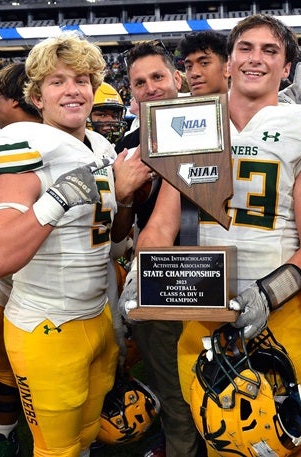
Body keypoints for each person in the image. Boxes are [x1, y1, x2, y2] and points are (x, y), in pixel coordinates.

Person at [119, 14, 301, 452]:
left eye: (270, 50)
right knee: (217, 434)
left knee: (275, 442)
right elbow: (163, 223)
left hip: (275, 314)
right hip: (199, 306)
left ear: (287, 68)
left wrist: (268, 293)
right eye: (246, 49)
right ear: (230, 63)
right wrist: (139, 276)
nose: (256, 59)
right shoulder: (191, 121)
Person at [0, 31, 119, 457]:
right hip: (48, 324)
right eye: (57, 81)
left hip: (97, 314)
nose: (72, 90)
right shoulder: (28, 150)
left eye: (81, 79)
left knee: (90, 433)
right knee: (56, 449)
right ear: (37, 96)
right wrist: (56, 200)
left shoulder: (100, 146)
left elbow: (102, 229)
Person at [111, 39, 205, 457]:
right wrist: (126, 195)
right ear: (130, 91)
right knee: (172, 387)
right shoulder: (126, 147)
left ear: (177, 78)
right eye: (139, 82)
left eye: (158, 77)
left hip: (219, 270)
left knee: (225, 382)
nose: (150, 87)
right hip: (157, 277)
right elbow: (118, 232)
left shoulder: (219, 125)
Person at [0, 62, 43, 457]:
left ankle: (5, 436)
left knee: (3, 367)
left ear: (15, 98)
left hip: (20, 278)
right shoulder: (79, 140)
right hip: (57, 278)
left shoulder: (6, 142)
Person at [179, 31, 229, 96]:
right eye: (189, 66)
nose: (194, 73)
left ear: (228, 67)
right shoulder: (173, 105)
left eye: (204, 63)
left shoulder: (245, 104)